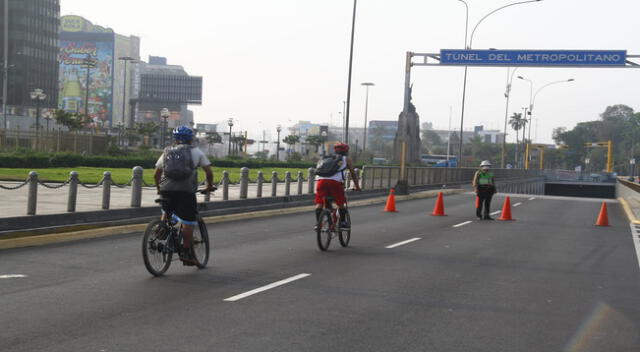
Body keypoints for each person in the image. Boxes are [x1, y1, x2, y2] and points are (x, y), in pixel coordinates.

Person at [154, 126, 216, 265]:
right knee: (189, 221)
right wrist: (209, 186)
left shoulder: (167, 152)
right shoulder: (196, 152)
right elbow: (209, 172)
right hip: (185, 191)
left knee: (167, 210)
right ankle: (187, 252)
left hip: (166, 190)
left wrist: (159, 189)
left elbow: (156, 174)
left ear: (175, 139)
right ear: (190, 139)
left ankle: (161, 229)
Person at [315, 143, 361, 228]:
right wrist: (357, 186)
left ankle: (319, 224)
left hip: (320, 181)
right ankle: (343, 222)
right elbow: (353, 174)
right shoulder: (347, 159)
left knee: (320, 204)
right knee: (340, 204)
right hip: (335, 183)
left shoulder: (327, 158)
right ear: (346, 151)